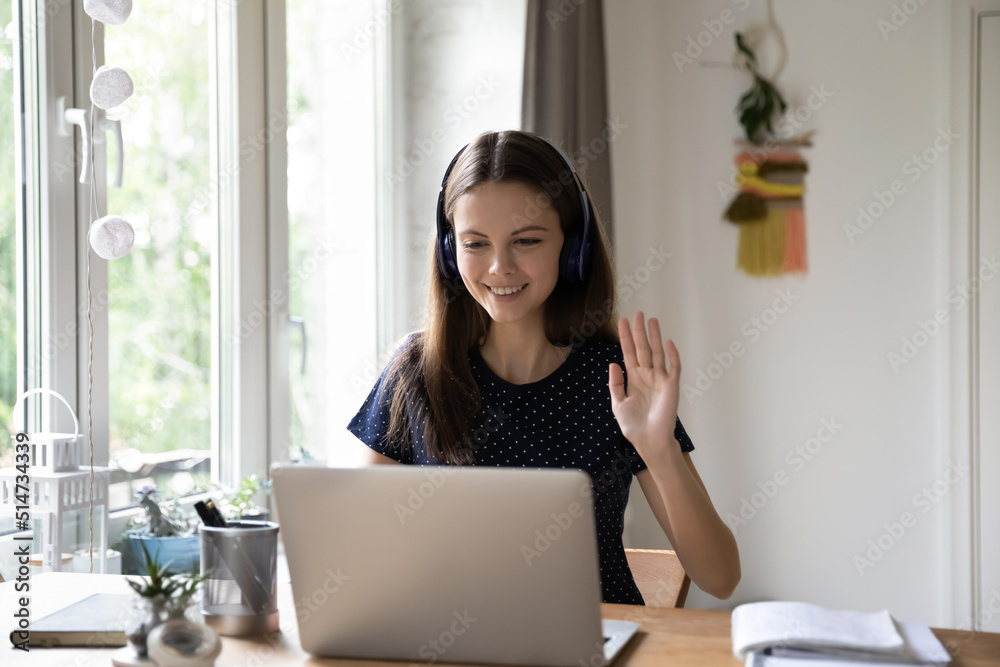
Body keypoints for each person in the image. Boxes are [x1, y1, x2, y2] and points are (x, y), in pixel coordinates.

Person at [347, 129, 740, 604]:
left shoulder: (617, 377)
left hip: (597, 649)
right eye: (475, 244)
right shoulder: (416, 370)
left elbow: (720, 578)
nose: (499, 268)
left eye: (526, 240)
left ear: (572, 249)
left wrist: (659, 450)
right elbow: (359, 552)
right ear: (450, 254)